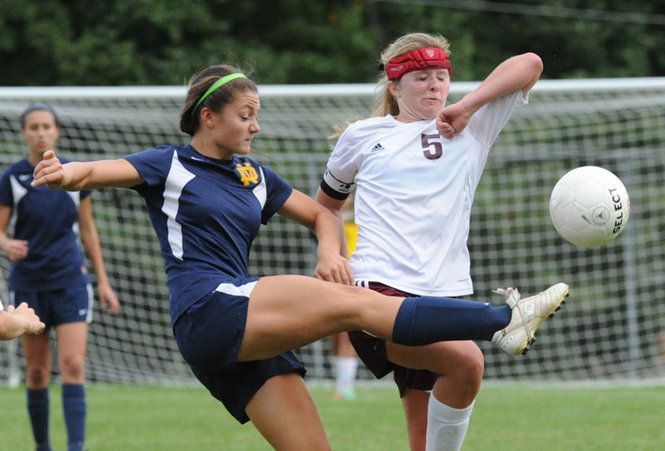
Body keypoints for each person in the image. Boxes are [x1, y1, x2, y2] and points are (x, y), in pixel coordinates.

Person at [32, 64, 569, 450]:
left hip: (245, 330)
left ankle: (503, 323)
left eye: (257, 115)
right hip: (209, 307)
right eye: (246, 115)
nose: (256, 126)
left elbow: (322, 215)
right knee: (353, 305)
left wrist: (328, 252)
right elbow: (96, 172)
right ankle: (503, 319)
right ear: (209, 117)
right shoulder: (169, 164)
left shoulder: (255, 176)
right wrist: (65, 173)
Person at [316, 32, 549, 451]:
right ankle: (507, 321)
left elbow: (530, 63)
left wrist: (467, 105)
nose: (435, 85)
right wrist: (330, 252)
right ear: (394, 85)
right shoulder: (363, 136)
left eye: (441, 76)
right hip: (376, 288)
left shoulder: (472, 126)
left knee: (422, 436)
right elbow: (326, 208)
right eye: (421, 77)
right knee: (467, 362)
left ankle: (504, 322)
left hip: (446, 291)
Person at [0, 103, 121, 451]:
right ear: (24, 133)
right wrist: (8, 243)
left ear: (57, 131)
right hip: (28, 285)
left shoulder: (73, 175)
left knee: (73, 364)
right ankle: (42, 447)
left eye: (47, 126)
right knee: (37, 372)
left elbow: (88, 230)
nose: (41, 132)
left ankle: (76, 447)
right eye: (34, 126)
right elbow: (0, 232)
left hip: (70, 280)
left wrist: (104, 282)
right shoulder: (11, 178)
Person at [331, 197, 359, 401]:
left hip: (354, 282)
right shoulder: (329, 219)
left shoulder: (359, 223)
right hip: (333, 281)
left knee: (347, 335)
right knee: (335, 335)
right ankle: (342, 385)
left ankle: (345, 388)